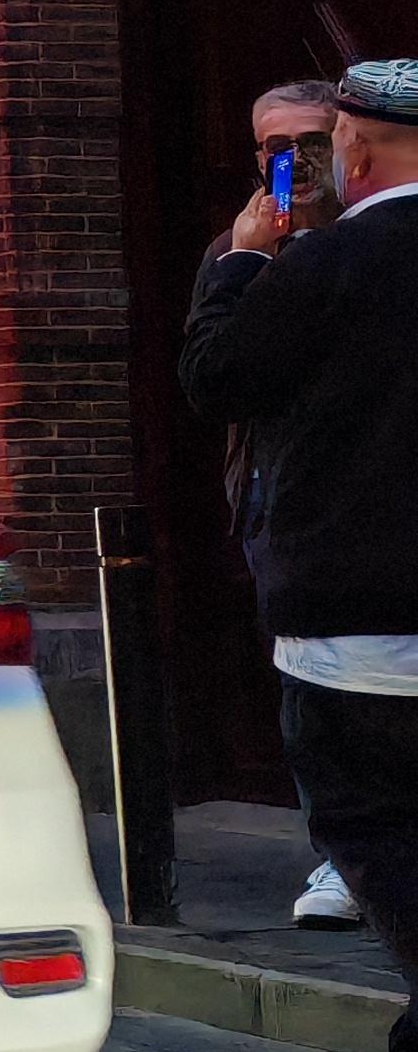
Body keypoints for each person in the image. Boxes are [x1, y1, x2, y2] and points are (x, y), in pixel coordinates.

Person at [182, 56, 418, 1052]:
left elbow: (216, 376)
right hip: (343, 592)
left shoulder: (322, 263)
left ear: (351, 147)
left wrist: (244, 265)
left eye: (312, 146)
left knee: (371, 825)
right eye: (270, 152)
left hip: (355, 612)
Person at [202, 84, 362, 925]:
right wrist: (248, 260)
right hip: (279, 491)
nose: (293, 161)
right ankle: (339, 856)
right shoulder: (242, 245)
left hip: (368, 487)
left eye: (310, 141)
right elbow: (215, 370)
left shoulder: (374, 235)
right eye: (275, 147)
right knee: (305, 676)